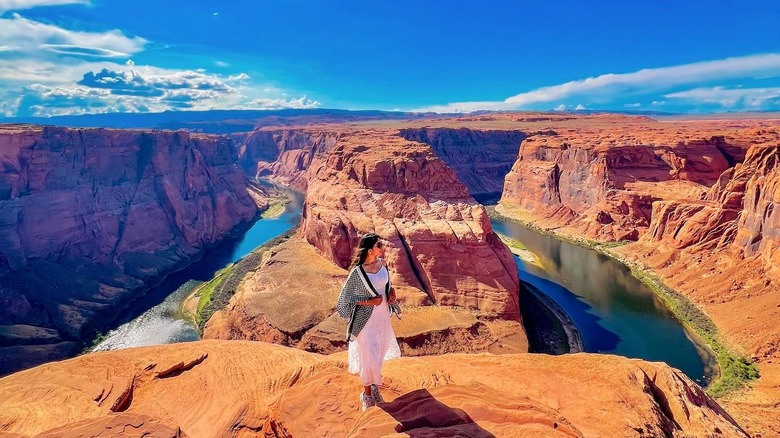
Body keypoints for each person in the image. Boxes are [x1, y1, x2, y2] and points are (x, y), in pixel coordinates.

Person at [335, 233, 402, 411]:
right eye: (379, 245)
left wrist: (392, 293)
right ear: (371, 249)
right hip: (365, 322)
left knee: (379, 354)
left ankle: (372, 386)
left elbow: (386, 285)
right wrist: (369, 302)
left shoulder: (383, 264)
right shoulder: (358, 273)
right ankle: (366, 395)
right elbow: (344, 302)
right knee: (369, 356)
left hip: (382, 319)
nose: (383, 248)